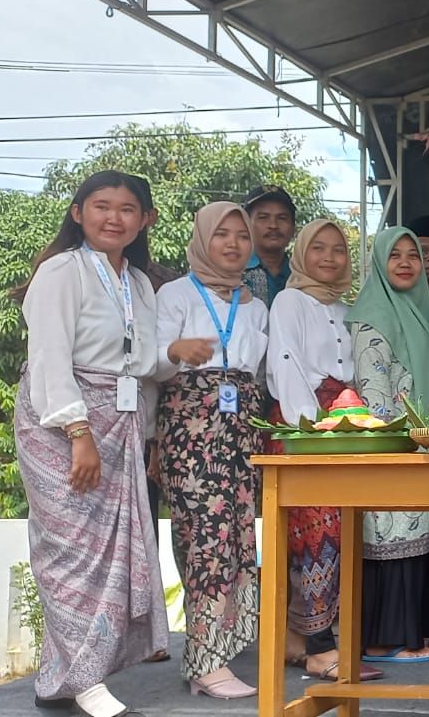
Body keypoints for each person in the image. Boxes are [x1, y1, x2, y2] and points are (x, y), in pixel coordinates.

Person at [12, 170, 168, 717]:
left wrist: (152, 429)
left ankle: (61, 679)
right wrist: (78, 433)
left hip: (120, 424)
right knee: (70, 551)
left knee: (110, 554)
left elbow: (142, 364)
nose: (113, 218)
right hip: (60, 424)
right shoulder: (61, 270)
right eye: (101, 206)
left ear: (145, 220)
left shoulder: (140, 282)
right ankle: (85, 681)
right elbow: (49, 356)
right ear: (78, 213)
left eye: (127, 209)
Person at [151, 201, 268, 698]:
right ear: (202, 239)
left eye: (242, 236)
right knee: (204, 536)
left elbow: (258, 372)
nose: (233, 244)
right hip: (191, 426)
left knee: (239, 535)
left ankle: (222, 646)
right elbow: (151, 364)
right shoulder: (175, 293)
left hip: (241, 427)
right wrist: (175, 351)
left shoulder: (255, 304)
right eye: (222, 234)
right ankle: (204, 660)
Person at [266, 219, 383, 682]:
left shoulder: (347, 308)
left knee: (340, 529)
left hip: (344, 424)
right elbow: (286, 364)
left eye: (338, 249)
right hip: (305, 428)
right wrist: (309, 433)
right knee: (316, 532)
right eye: (318, 248)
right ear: (302, 253)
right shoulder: (290, 301)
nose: (330, 257)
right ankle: (319, 649)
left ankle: (298, 640)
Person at [344, 226, 429, 663]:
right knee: (389, 540)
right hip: (391, 445)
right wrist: (395, 446)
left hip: (420, 444)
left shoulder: (419, 313)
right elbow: (374, 392)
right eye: (395, 255)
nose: (405, 263)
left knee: (413, 540)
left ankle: (406, 633)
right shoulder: (373, 316)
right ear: (379, 263)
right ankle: (381, 640)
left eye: (413, 255)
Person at [241, 185, 297, 307]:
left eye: (282, 218)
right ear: (246, 225)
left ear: (293, 228)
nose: (273, 225)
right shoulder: (232, 274)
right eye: (263, 217)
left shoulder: (302, 277)